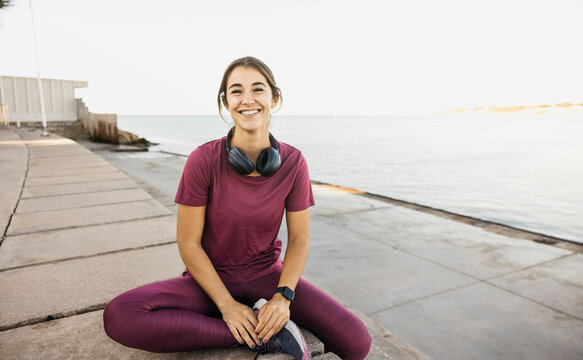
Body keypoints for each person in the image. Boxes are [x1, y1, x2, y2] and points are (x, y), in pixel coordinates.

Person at [102, 56, 372, 360]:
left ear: (275, 98)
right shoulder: (202, 160)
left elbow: (299, 239)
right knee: (121, 314)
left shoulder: (294, 162)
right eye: (236, 91)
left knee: (357, 342)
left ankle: (258, 321)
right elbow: (189, 243)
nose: (247, 100)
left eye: (258, 89)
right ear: (226, 103)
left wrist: (283, 298)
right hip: (211, 282)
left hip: (268, 277)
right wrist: (227, 306)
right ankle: (264, 338)